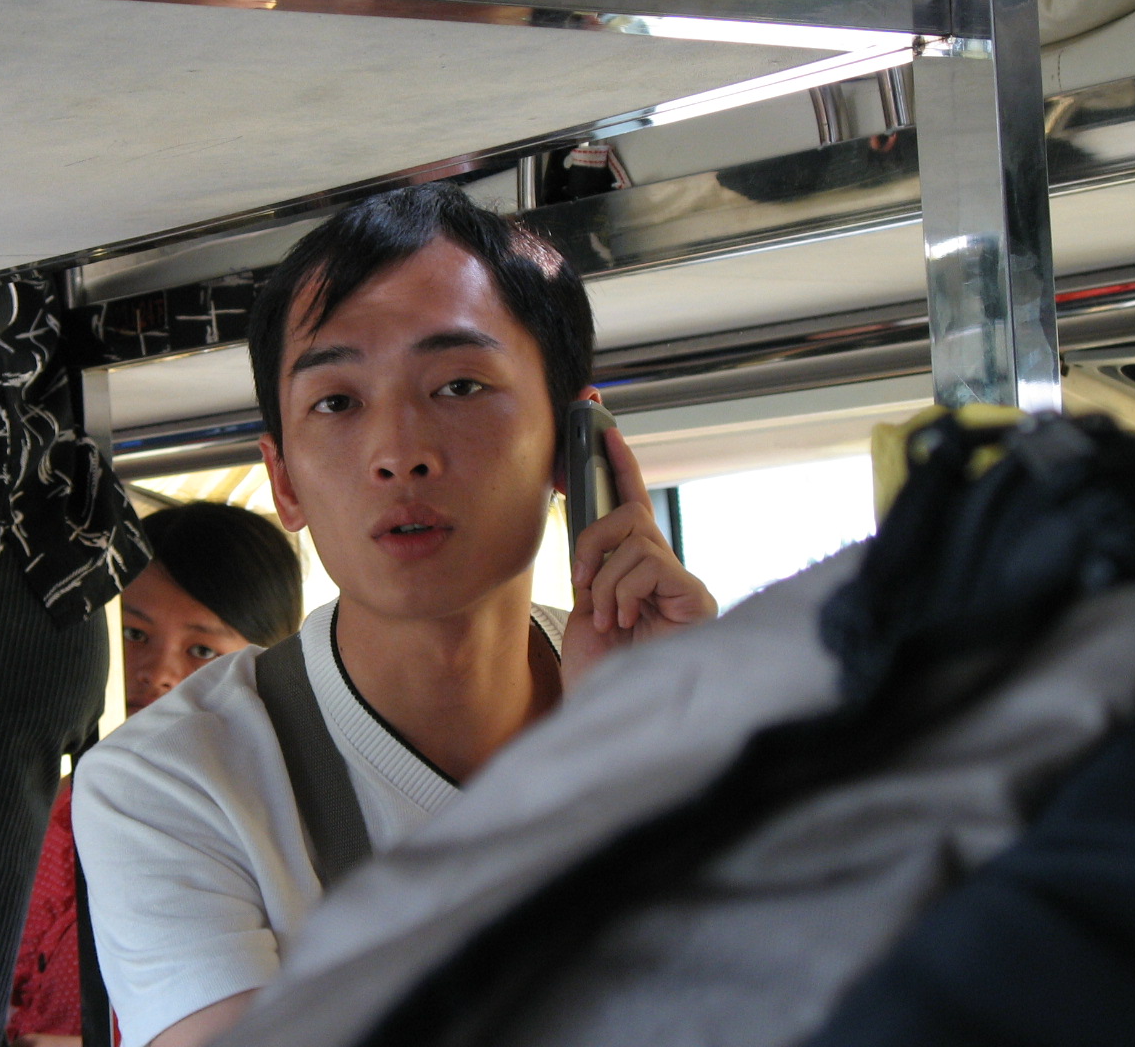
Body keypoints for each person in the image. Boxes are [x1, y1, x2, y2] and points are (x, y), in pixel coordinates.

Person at [72, 183, 716, 1047]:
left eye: (459, 385)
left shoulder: (705, 710)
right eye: (336, 402)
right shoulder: (171, 779)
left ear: (575, 446)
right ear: (285, 481)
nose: (399, 453)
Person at [7, 502, 303, 1047]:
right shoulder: (42, 808)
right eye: (134, 634)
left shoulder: (273, 827)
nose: (158, 674)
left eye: (201, 650)